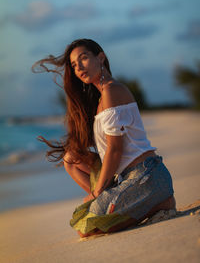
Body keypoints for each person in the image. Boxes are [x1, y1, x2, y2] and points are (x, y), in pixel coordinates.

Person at [32, 38, 176, 238]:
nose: (79, 67)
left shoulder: (112, 91)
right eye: (74, 65)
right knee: (71, 159)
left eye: (83, 58)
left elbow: (115, 150)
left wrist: (97, 192)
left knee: (89, 227)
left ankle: (160, 203)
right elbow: (105, 149)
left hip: (147, 176)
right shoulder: (101, 97)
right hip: (126, 176)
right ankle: (114, 200)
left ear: (101, 58)